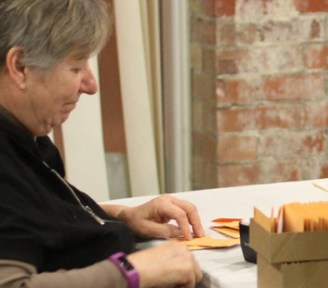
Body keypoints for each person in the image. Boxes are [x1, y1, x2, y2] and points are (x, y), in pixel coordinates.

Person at [0, 1, 205, 287]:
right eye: (75, 67)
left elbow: (38, 220)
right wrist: (131, 272)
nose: (91, 85)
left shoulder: (26, 138)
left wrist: (122, 217)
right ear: (20, 66)